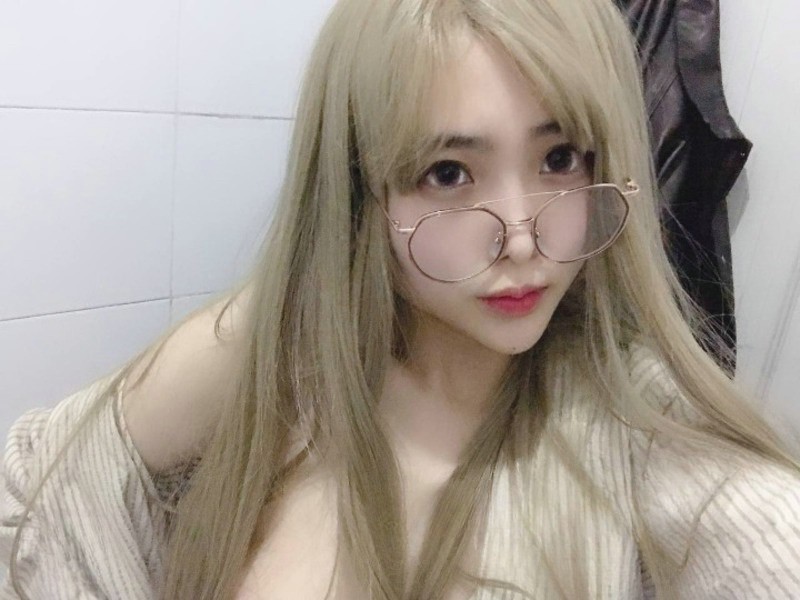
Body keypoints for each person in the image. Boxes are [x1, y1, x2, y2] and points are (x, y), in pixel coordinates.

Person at [2, 0, 800, 598]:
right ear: (360, 192)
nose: (522, 239)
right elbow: (44, 492)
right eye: (448, 173)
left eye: (560, 158)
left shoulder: (642, 439)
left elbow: (757, 528)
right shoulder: (279, 373)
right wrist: (292, 306)